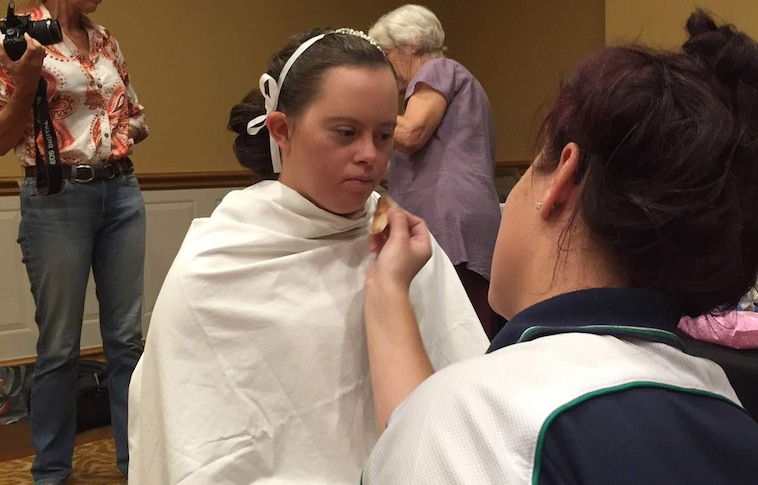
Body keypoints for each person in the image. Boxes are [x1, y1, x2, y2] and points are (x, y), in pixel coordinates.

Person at [361, 10, 758, 484]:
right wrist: (389, 289)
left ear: (562, 178)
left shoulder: (469, 420)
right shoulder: (730, 415)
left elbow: (446, 435)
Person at [127, 28, 488, 485]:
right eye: (345, 133)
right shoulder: (216, 262)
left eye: (383, 135)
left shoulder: (405, 241)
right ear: (283, 130)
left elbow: (451, 392)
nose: (369, 156)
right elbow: (198, 442)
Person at [0, 1, 147, 483]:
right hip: (56, 196)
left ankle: (136, 466)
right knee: (59, 347)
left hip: (121, 192)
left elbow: (131, 111)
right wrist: (26, 81)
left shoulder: (105, 40)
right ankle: (52, 473)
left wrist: (116, 139)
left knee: (126, 343)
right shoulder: (15, 38)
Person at [369, 4, 503, 338]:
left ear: (412, 44)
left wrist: (357, 115)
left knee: (459, 333)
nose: (382, 65)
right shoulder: (457, 84)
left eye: (385, 53)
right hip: (463, 217)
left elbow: (412, 133)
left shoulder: (438, 70)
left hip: (450, 220)